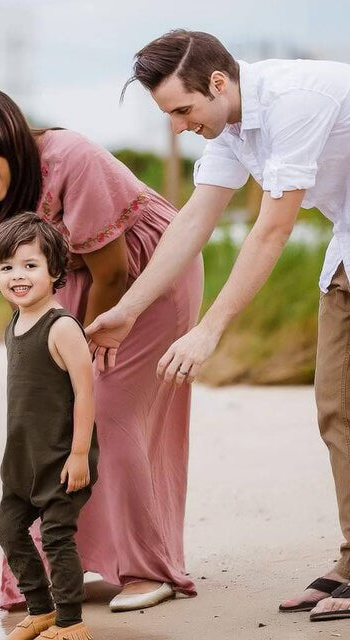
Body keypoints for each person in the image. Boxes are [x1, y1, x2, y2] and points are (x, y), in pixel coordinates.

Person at [86, 29, 350, 622]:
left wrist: (208, 329)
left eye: (183, 110)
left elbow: (272, 230)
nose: (179, 126)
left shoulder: (295, 100)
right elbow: (192, 222)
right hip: (347, 251)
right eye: (169, 116)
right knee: (338, 410)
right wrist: (127, 312)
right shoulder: (231, 126)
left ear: (219, 83)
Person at [0, 87, 203, 612]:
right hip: (76, 278)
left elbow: (113, 270)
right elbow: (19, 281)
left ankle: (149, 569)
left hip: (146, 270)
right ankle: (64, 562)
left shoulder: (69, 158)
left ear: (10, 136)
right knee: (58, 418)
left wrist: (72, 354)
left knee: (109, 411)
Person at [0, 212, 97, 640]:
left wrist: (80, 453)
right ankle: (41, 608)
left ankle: (71, 621)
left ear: (55, 271)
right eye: (7, 266)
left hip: (62, 454)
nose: (18, 275)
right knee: (8, 527)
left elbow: (86, 393)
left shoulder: (62, 326)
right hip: (23, 456)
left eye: (30, 265)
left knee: (55, 535)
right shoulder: (14, 324)